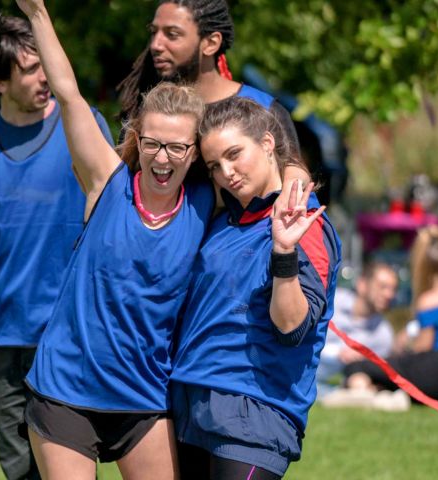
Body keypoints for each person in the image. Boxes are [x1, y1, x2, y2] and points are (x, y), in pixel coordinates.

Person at [15, 1, 214, 478]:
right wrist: (37, 13)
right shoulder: (107, 182)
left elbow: (257, 151)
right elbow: (68, 95)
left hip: (143, 397)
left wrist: (295, 176)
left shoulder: (208, 203)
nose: (162, 158)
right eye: (152, 143)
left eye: (176, 147)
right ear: (137, 139)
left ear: (195, 152)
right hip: (65, 388)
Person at [0, 13, 113, 480]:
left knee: (70, 470)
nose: (45, 76)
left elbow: (118, 222)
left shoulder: (84, 127)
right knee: (19, 471)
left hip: (69, 334)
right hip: (2, 339)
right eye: (31, 69)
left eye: (44, 64)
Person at [171, 97, 342, 479]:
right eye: (215, 165)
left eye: (235, 154)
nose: (227, 173)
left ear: (267, 143)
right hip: (189, 406)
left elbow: (292, 328)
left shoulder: (304, 223)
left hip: (254, 415)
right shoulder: (222, 222)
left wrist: (284, 250)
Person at [117, 0, 308, 187]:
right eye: (154, 32)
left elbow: (294, 173)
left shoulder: (263, 108)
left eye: (172, 34)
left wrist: (295, 180)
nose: (156, 45)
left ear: (211, 43)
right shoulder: (148, 112)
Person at [342, 225, 438, 405]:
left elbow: (422, 349)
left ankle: (362, 392)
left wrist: (405, 345)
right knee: (391, 374)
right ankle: (382, 395)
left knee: (358, 366)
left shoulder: (429, 300)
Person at [316, 261, 398, 397]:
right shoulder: (331, 301)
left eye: (393, 289)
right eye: (383, 287)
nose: (389, 295)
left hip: (336, 390)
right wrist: (338, 352)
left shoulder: (383, 335)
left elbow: (372, 376)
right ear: (362, 284)